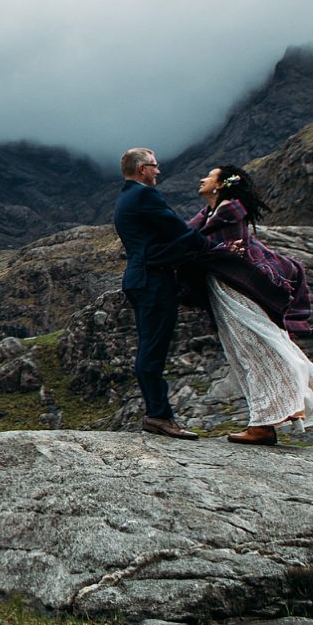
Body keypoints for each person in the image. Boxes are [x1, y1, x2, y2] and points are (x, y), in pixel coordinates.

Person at [184, 165, 313, 445]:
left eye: (209, 176)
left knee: (255, 343)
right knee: (246, 347)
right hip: (223, 286)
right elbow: (193, 239)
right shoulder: (212, 212)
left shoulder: (229, 210)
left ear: (220, 184)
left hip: (236, 286)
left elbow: (200, 245)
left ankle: (270, 417)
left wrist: (207, 251)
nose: (202, 179)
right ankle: (270, 418)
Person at [112, 148, 219, 439]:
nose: (159, 171)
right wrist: (214, 247)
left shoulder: (125, 197)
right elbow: (177, 230)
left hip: (139, 278)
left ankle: (157, 414)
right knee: (152, 349)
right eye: (155, 166)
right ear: (143, 169)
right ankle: (158, 415)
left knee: (150, 345)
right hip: (152, 280)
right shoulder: (145, 195)